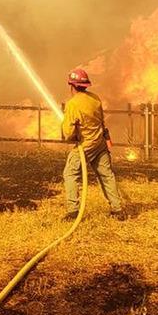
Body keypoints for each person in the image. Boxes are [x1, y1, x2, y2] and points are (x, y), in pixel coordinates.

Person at [61, 68, 125, 222]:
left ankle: (73, 212)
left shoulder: (73, 104)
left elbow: (68, 133)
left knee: (70, 174)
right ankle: (117, 209)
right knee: (107, 175)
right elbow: (101, 120)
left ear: (72, 86)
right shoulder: (95, 98)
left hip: (85, 146)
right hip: (100, 143)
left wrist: (72, 134)